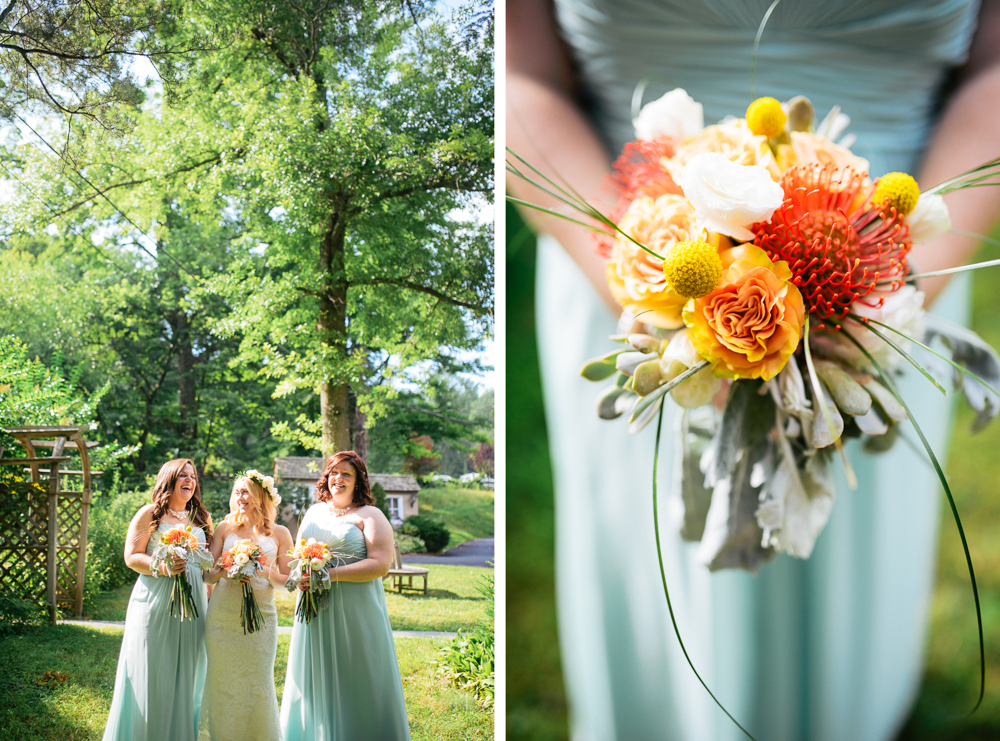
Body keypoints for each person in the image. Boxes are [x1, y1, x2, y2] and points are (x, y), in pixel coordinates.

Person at [508, 1, 1000, 739]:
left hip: (897, 279)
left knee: (848, 572)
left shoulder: (895, 285)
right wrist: (650, 288)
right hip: (620, 267)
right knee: (659, 567)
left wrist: (891, 289)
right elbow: (520, 72)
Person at [279, 450, 411, 741]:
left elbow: (380, 564)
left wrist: (329, 575)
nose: (338, 478)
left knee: (356, 674)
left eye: (346, 474)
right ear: (327, 477)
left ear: (358, 480)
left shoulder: (370, 515)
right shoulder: (314, 511)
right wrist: (302, 576)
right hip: (314, 609)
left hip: (355, 609)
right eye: (334, 472)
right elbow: (297, 556)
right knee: (314, 677)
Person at [102, 459, 214, 741]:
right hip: (154, 602)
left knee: (188, 675)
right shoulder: (150, 513)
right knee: (152, 672)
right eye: (183, 476)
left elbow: (206, 567)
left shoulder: (201, 517)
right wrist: (163, 567)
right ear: (169, 480)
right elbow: (132, 556)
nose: (189, 480)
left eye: (193, 476)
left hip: (194, 607)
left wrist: (210, 599)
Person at [199, 471, 293, 741]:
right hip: (222, 618)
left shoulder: (280, 533)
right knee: (223, 682)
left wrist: (266, 574)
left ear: (261, 496)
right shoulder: (224, 528)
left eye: (246, 491)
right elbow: (206, 574)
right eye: (237, 492)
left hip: (261, 619)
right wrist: (222, 572)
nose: (240, 497)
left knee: (257, 684)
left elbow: (288, 582)